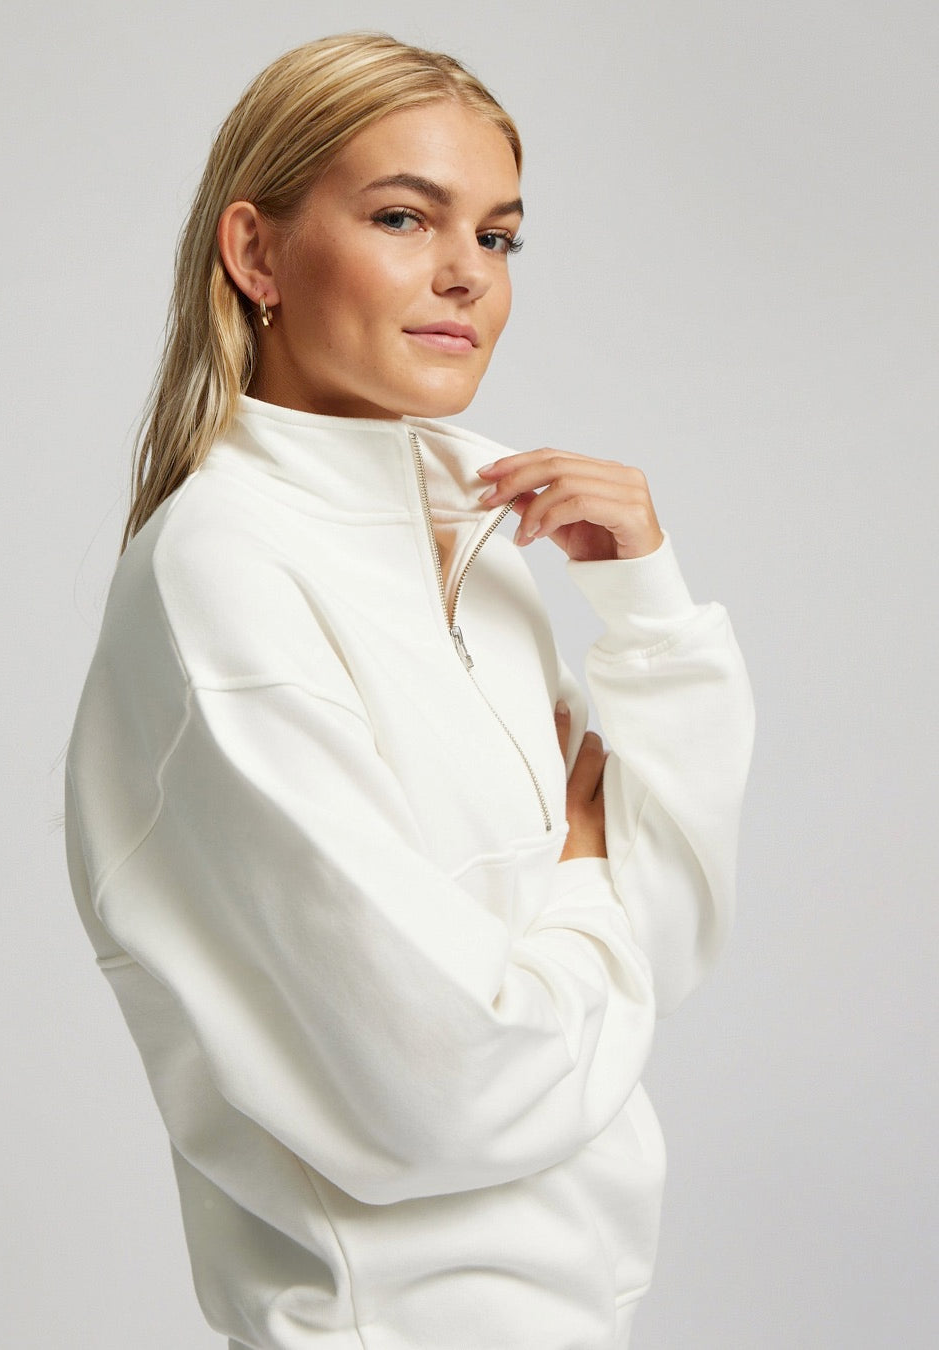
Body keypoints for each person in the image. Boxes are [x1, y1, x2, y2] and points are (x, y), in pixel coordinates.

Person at [64, 32, 753, 1350]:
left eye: (499, 236)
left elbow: (666, 944)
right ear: (257, 254)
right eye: (402, 217)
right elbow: (440, 1091)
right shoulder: (226, 573)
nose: (467, 275)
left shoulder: (477, 531)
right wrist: (585, 871)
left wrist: (651, 613)